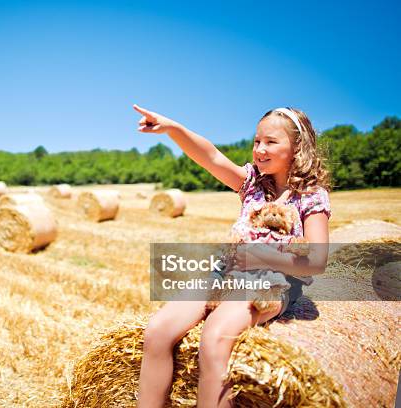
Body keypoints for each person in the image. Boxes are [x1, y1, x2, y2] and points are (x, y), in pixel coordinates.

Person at [132, 104, 331, 408]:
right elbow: (210, 156)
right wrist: (172, 128)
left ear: (297, 148)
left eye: (271, 142)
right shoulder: (250, 183)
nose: (260, 149)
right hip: (223, 274)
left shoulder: (310, 196)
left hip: (270, 283)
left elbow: (316, 261)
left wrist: (258, 258)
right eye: (256, 141)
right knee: (158, 332)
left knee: (214, 339)